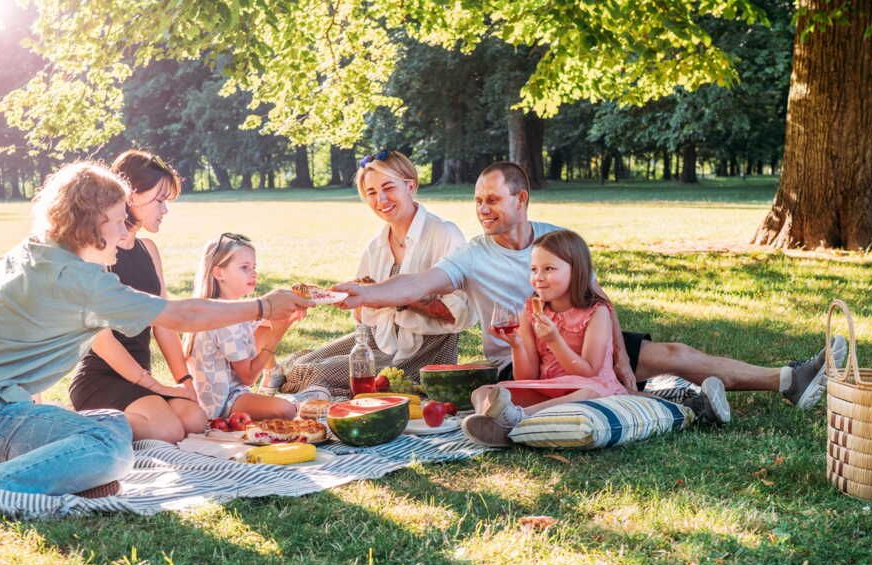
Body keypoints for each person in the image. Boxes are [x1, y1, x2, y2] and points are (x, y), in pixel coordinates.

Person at [0, 162, 310, 524]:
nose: (123, 230)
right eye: (117, 220)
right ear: (92, 222)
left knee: (112, 422)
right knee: (110, 448)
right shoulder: (79, 281)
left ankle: (64, 475)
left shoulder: (31, 253)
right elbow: (181, 316)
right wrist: (262, 307)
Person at [335, 161, 845, 436]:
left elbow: (598, 300)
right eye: (477, 201)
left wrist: (620, 357)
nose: (482, 210)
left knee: (674, 353)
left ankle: (787, 380)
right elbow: (418, 285)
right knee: (542, 393)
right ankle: (681, 402)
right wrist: (368, 292)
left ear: (521, 199)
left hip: (584, 340)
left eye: (492, 200)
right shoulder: (472, 254)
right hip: (525, 359)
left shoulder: (558, 239)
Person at [461, 230, 727, 445]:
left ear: (576, 270)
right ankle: (490, 423)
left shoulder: (596, 312)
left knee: (587, 392)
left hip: (591, 386)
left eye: (549, 269)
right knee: (482, 391)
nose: (538, 278)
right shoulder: (530, 310)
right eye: (533, 269)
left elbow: (589, 370)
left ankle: (517, 419)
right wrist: (517, 345)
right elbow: (526, 377)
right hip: (550, 389)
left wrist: (554, 341)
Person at [278, 150, 474, 397]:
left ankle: (326, 396)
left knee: (310, 373)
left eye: (388, 188)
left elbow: (459, 316)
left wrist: (390, 297)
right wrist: (349, 297)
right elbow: (364, 316)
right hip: (377, 340)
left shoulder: (443, 234)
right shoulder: (377, 245)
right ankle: (310, 393)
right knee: (295, 363)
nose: (381, 199)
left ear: (410, 186)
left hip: (422, 351)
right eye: (371, 192)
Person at [68, 150, 207, 442]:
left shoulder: (148, 250)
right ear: (130, 196)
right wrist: (154, 385)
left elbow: (164, 324)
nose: (165, 210)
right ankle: (70, 425)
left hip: (141, 378)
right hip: (101, 378)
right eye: (159, 200)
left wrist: (184, 381)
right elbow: (100, 338)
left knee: (194, 419)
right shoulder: (98, 253)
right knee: (167, 430)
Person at [185, 233, 301, 421]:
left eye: (254, 267)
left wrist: (284, 315)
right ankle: (272, 382)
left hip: (226, 395)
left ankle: (271, 376)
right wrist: (279, 332)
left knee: (264, 324)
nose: (253, 273)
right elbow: (248, 377)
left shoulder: (222, 308)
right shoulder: (225, 320)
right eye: (244, 267)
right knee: (287, 409)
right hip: (221, 405)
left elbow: (262, 324)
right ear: (219, 273)